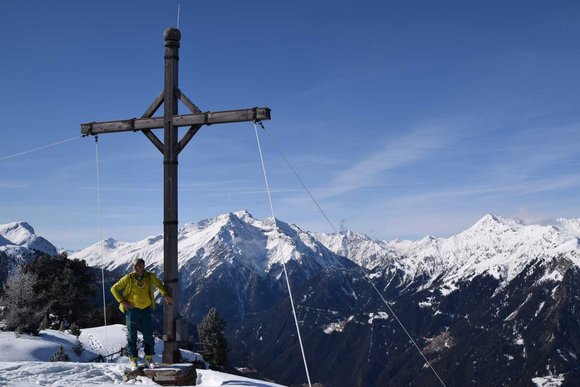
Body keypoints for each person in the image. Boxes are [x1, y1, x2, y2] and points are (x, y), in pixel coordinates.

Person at [111, 258, 173, 370]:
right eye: (133, 266)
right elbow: (114, 288)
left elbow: (159, 285)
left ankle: (149, 358)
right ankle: (133, 360)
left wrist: (165, 295)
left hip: (146, 310)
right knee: (132, 336)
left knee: (149, 335)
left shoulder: (150, 276)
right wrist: (122, 301)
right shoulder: (128, 278)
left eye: (137, 266)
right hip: (132, 310)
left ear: (143, 266)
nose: (134, 268)